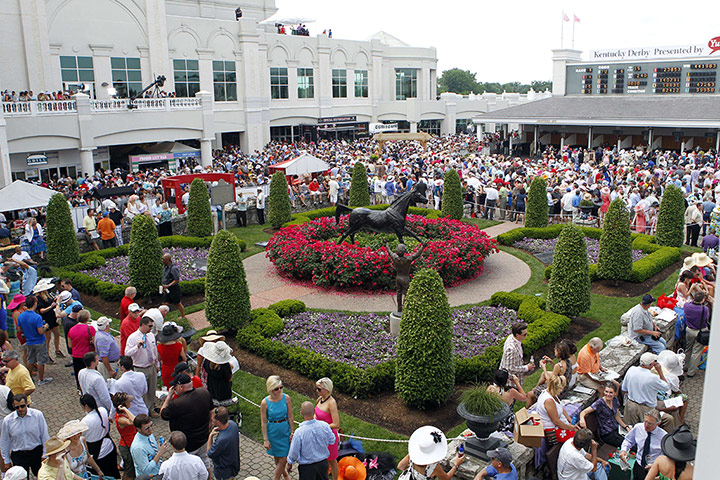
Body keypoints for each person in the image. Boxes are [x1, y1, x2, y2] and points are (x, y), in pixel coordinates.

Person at [159, 373, 214, 471]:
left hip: (188, 445)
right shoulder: (204, 392)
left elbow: (162, 414)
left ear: (181, 387)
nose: (174, 389)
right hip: (204, 438)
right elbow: (211, 410)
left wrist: (168, 397)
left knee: (188, 469)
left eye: (175, 387)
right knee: (205, 464)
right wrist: (210, 422)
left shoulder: (176, 404)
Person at [0, 393, 50, 476]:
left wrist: (45, 454)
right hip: (19, 455)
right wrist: (6, 461)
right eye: (17, 407)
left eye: (22, 406)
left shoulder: (37, 415)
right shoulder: (8, 421)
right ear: (13, 406)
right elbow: (5, 441)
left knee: (42, 476)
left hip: (36, 452)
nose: (20, 409)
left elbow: (44, 435)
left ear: (27, 404)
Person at [286, 401, 336, 480]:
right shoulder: (325, 426)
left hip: (307, 468)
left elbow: (294, 451)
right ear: (314, 412)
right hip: (322, 465)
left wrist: (290, 463)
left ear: (301, 413)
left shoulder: (299, 432)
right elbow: (332, 440)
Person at [397, 425, 465, 480]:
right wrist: (456, 465)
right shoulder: (434, 467)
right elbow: (446, 478)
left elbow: (400, 467)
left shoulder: (412, 455)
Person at [621, 353, 670, 428]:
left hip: (631, 405)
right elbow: (666, 387)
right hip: (646, 408)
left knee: (631, 428)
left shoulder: (631, 370)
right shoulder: (652, 377)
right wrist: (660, 372)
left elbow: (624, 389)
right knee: (646, 429)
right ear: (650, 365)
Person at [79, 394, 120, 479]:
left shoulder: (85, 421)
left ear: (86, 406)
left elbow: (81, 437)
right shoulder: (102, 410)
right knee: (113, 472)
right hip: (109, 446)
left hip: (98, 453)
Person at [261, 375, 294, 480]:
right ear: (271, 389)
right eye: (276, 388)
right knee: (277, 457)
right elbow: (263, 422)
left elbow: (290, 416)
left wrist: (292, 432)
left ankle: (276, 478)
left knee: (284, 458)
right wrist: (265, 439)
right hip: (273, 432)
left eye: (281, 387)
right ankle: (284, 475)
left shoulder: (286, 398)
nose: (279, 390)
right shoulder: (265, 403)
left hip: (284, 431)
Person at [577, 382, 630, 447]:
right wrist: (582, 420)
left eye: (611, 392)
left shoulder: (615, 400)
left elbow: (617, 416)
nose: (608, 394)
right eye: (606, 392)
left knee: (631, 438)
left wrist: (626, 427)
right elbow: (583, 412)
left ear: (615, 393)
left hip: (616, 429)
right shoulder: (599, 403)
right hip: (607, 433)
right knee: (628, 444)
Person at [125, 317, 159, 415]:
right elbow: (127, 353)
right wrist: (137, 347)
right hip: (140, 368)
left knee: (152, 389)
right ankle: (143, 411)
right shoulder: (132, 337)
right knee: (142, 391)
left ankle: (151, 408)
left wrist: (157, 364)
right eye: (149, 326)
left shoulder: (151, 336)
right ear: (143, 325)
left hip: (151, 366)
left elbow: (154, 351)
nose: (151, 328)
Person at [620, 410, 667, 480]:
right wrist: (624, 450)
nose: (646, 425)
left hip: (653, 469)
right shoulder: (638, 427)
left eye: (650, 424)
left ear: (658, 424)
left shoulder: (664, 437)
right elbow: (628, 440)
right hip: (638, 465)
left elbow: (666, 457)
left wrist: (657, 466)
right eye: (645, 422)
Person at [16, 295, 53, 385]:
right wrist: (46, 327)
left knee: (30, 360)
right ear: (34, 304)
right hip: (39, 341)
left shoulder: (21, 316)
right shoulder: (37, 317)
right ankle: (41, 379)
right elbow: (40, 331)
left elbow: (19, 329)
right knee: (41, 361)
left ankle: (30, 378)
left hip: (29, 341)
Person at [534, 374, 578, 448]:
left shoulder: (552, 394)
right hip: (553, 431)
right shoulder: (548, 401)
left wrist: (570, 421)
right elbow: (556, 421)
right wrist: (571, 428)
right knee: (578, 439)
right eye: (561, 388)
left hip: (559, 425)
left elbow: (561, 407)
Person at [384, 241, 426, 313]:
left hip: (398, 278)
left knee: (399, 293)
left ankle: (399, 308)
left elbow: (389, 251)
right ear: (404, 251)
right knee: (407, 294)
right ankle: (405, 308)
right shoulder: (407, 259)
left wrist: (386, 244)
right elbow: (417, 254)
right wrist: (423, 247)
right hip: (405, 278)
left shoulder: (395, 258)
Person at [529, 341, 573, 406]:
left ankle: (528, 410)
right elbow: (558, 372)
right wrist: (552, 362)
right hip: (564, 388)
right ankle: (536, 390)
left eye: (555, 350)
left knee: (529, 394)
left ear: (558, 352)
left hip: (557, 392)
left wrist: (544, 368)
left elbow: (550, 380)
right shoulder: (567, 362)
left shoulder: (558, 366)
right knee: (544, 374)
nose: (554, 351)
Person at [314, 377, 340, 480]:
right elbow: (317, 414)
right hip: (320, 435)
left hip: (329, 437)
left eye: (319, 389)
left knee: (332, 461)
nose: (317, 391)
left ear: (327, 390)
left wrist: (321, 425)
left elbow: (336, 424)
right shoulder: (320, 399)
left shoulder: (331, 403)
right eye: (316, 388)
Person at [207, 406, 240, 480]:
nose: (211, 419)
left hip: (223, 472)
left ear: (218, 422)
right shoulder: (233, 425)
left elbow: (209, 453)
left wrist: (210, 436)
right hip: (233, 466)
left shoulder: (221, 440)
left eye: (212, 418)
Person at [683, 290, 710, 377]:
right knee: (696, 352)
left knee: (688, 348)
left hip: (689, 330)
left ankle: (685, 366)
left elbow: (689, 302)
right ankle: (691, 372)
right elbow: (706, 319)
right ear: (703, 300)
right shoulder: (704, 309)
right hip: (700, 331)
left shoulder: (686, 306)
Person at [78, 352, 114, 416]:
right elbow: (104, 397)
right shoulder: (97, 379)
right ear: (92, 362)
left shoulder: (81, 372)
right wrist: (111, 409)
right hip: (99, 409)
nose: (98, 360)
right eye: (97, 359)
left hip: (89, 408)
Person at [197, 341, 233, 405]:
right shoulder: (225, 366)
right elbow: (229, 378)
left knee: (213, 403)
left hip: (211, 385)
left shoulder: (207, 362)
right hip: (223, 388)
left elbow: (205, 368)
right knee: (223, 407)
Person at [34, 282, 62, 363]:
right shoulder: (39, 298)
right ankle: (47, 355)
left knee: (57, 334)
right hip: (46, 319)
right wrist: (51, 307)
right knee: (47, 338)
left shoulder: (48, 295)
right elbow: (41, 311)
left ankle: (57, 350)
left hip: (53, 317)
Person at [112, 392, 137, 480]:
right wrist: (126, 410)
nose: (130, 403)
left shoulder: (122, 413)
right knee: (130, 473)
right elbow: (134, 421)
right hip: (127, 447)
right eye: (128, 402)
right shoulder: (121, 419)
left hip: (131, 444)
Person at [67, 310, 95, 387]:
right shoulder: (90, 329)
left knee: (78, 374)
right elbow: (94, 342)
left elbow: (70, 345)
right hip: (88, 355)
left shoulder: (71, 330)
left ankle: (79, 388)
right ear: (87, 318)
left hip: (76, 355)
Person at [157, 323, 187, 388]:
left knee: (169, 388)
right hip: (177, 368)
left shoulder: (159, 347)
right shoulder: (178, 346)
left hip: (166, 370)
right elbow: (184, 358)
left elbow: (159, 359)